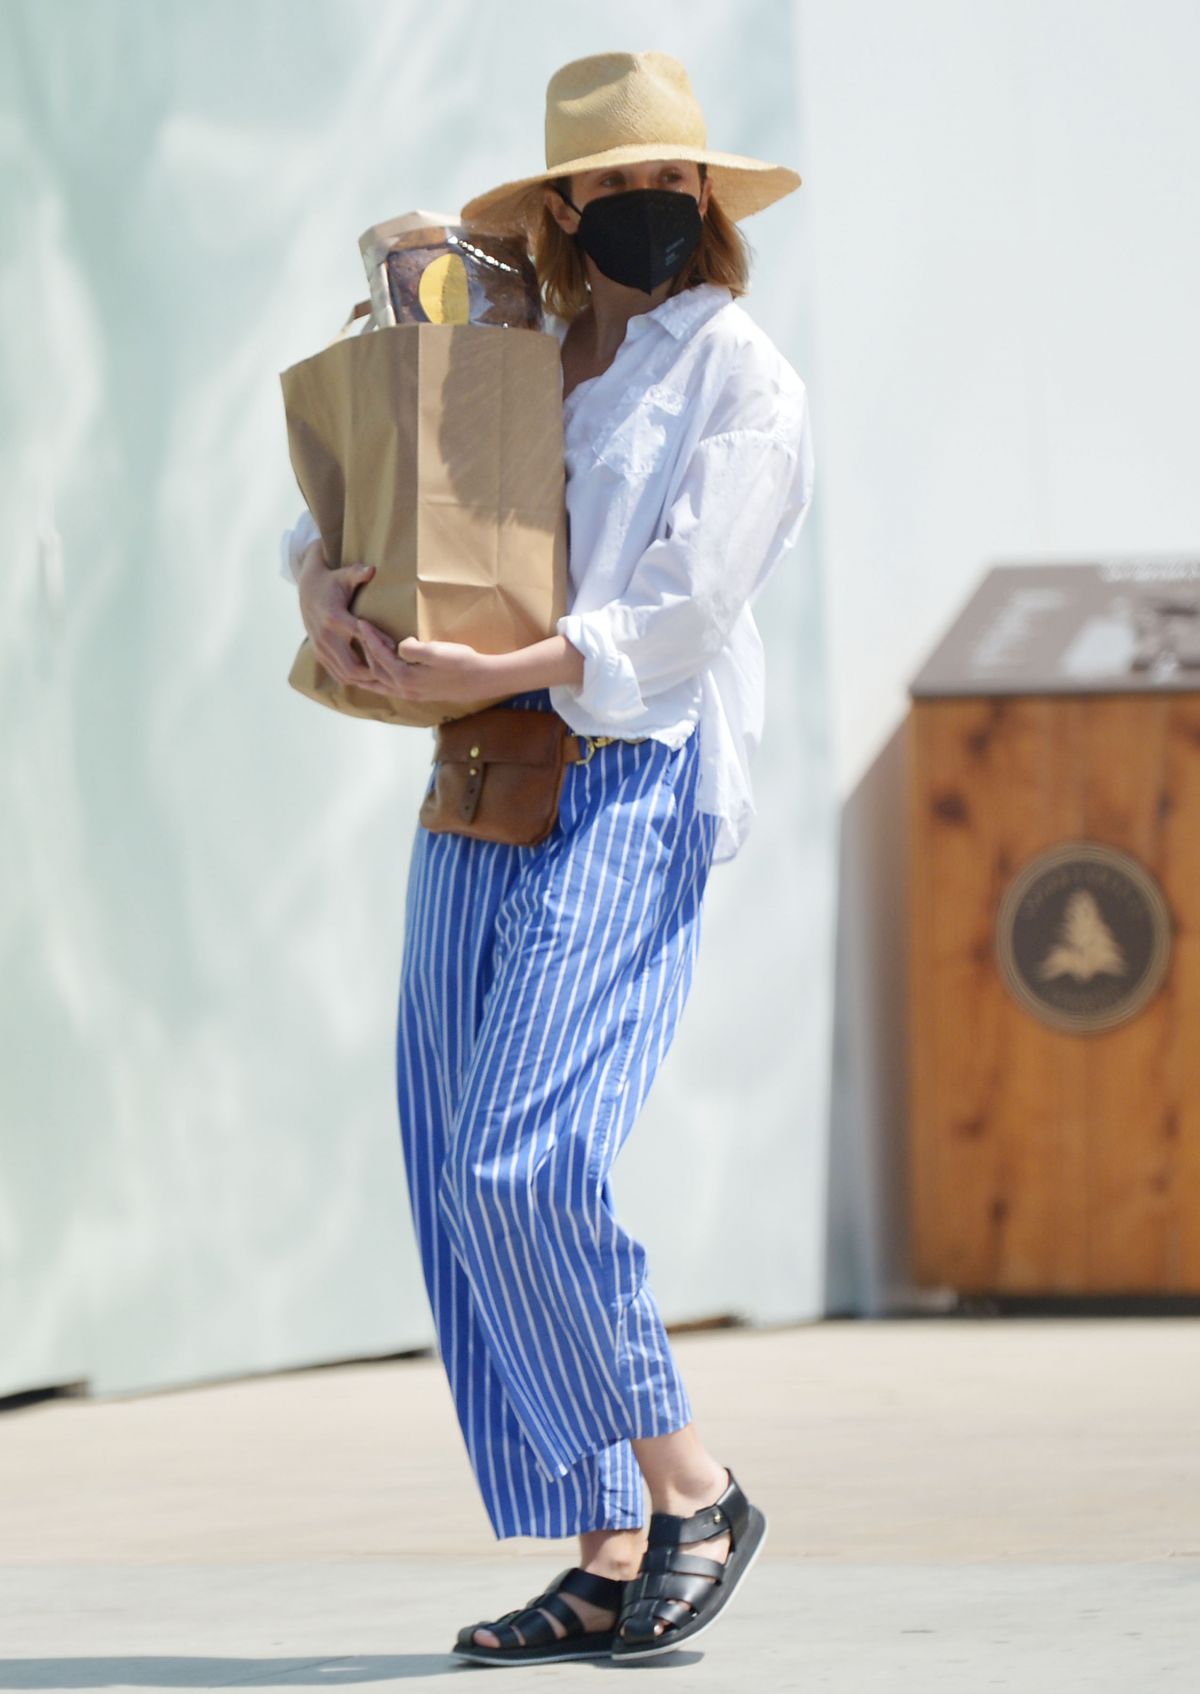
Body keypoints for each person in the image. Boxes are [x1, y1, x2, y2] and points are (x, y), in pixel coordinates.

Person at [278, 48, 814, 1667]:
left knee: (523, 1151)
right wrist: (323, 591)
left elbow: (681, 615)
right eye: (616, 184)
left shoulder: (741, 376)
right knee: (454, 1162)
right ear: (562, 208)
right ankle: (603, 1546)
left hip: (633, 777)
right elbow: (368, 497)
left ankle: (693, 1489)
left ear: (706, 197)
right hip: (479, 770)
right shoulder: (504, 349)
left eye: (675, 181)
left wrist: (499, 664)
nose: (653, 204)